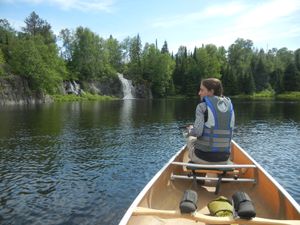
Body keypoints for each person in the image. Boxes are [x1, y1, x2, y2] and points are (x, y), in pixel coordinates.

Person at [187, 78, 235, 164]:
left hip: (203, 157)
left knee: (191, 139)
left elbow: (197, 132)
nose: (199, 93)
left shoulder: (201, 107)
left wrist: (190, 130)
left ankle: (196, 165)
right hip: (224, 159)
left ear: (211, 91)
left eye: (202, 90)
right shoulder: (229, 107)